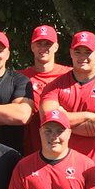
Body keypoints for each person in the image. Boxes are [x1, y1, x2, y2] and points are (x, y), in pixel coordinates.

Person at [40, 31, 95, 177]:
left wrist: (63, 121)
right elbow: (47, 118)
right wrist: (89, 115)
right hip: (58, 165)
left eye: (88, 52)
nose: (82, 57)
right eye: (78, 52)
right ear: (71, 53)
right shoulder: (54, 86)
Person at [19, 25, 70, 155]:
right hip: (30, 148)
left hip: (62, 149)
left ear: (56, 47)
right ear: (32, 47)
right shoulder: (20, 77)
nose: (43, 48)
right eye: (39, 44)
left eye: (47, 44)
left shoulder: (69, 75)